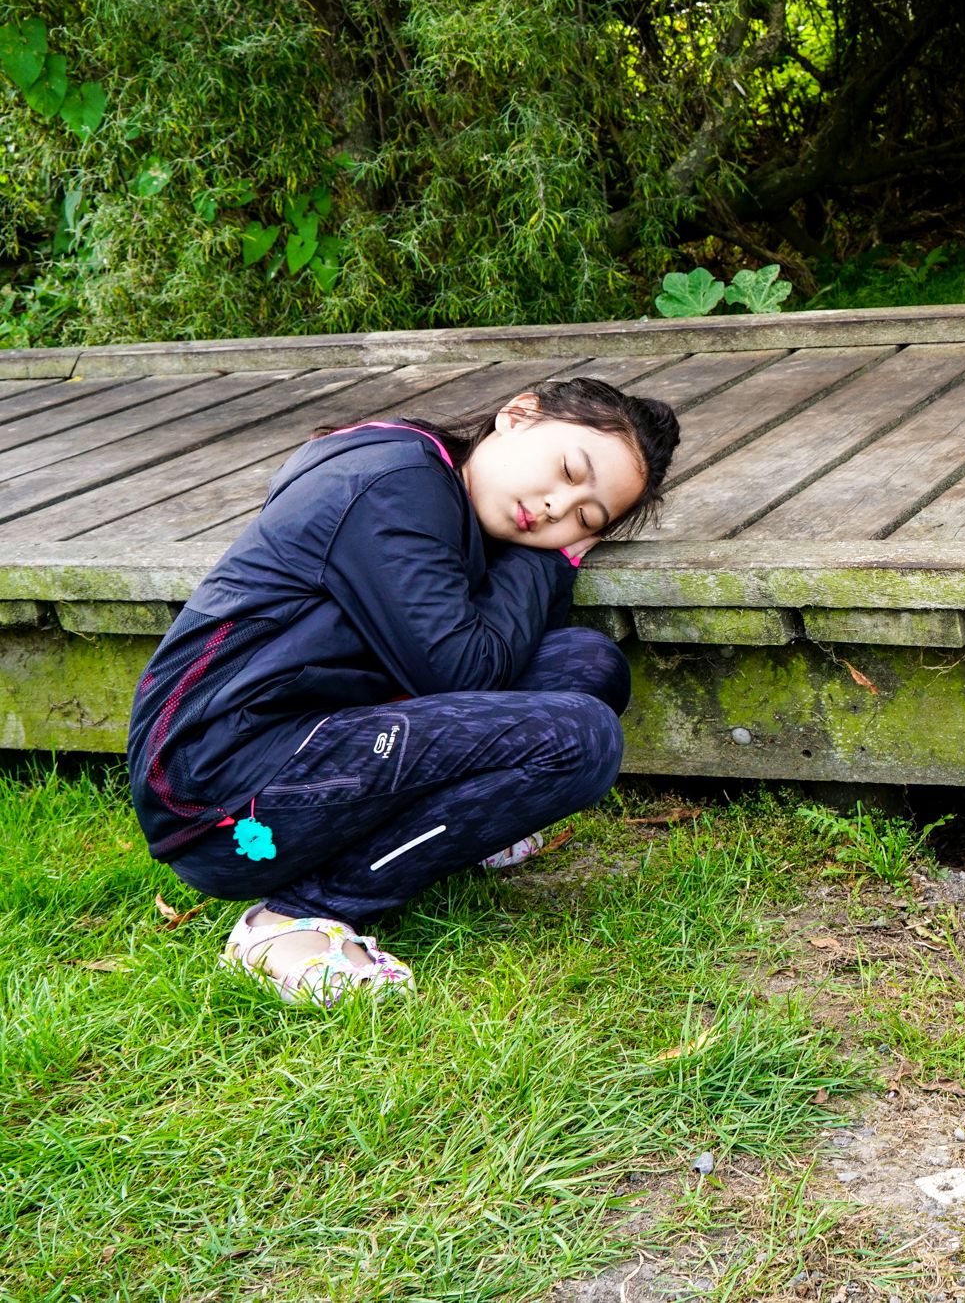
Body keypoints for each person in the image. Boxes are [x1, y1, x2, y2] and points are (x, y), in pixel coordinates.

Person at [127, 378, 679, 1006]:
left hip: (327, 732)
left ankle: (449, 831)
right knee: (579, 739)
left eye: (586, 517)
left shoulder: (445, 488)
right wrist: (552, 560)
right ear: (518, 414)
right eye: (567, 470)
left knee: (586, 663)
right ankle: (291, 920)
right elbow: (465, 672)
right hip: (222, 790)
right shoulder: (392, 484)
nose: (557, 508)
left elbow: (497, 654)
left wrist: (538, 559)